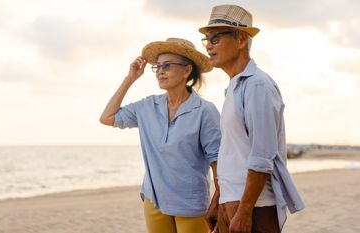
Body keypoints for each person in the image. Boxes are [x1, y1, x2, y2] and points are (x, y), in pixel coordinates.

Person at [198, 5, 305, 233]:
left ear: (241, 40)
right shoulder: (234, 87)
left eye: (215, 38)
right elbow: (232, 152)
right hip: (233, 201)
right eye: (206, 40)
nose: (208, 45)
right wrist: (218, 199)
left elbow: (261, 155)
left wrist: (244, 210)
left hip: (254, 206)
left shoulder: (257, 85)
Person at [99, 38, 221, 233]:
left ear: (186, 70)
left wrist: (218, 201)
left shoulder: (205, 111)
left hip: (190, 204)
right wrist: (130, 78)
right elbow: (107, 117)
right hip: (154, 200)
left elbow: (218, 161)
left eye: (168, 66)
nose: (160, 71)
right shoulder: (147, 107)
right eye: (157, 67)